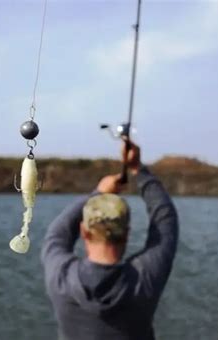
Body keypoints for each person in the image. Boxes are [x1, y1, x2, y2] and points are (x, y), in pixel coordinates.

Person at [41, 140, 179, 340]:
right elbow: (166, 220)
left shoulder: (61, 277)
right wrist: (137, 169)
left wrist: (98, 193)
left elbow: (57, 232)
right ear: (127, 233)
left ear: (84, 232)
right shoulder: (144, 278)